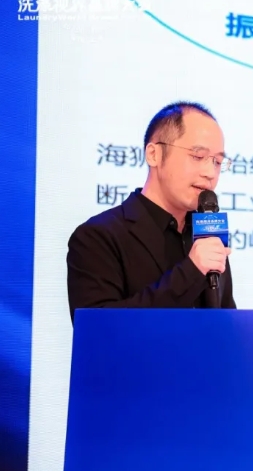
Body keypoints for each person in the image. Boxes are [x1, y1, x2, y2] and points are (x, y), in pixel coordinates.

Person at [66, 101, 236, 323]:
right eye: (197, 156)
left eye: (217, 162)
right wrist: (191, 271)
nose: (210, 173)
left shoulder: (207, 236)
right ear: (154, 154)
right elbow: (100, 329)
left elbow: (225, 325)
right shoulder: (98, 236)